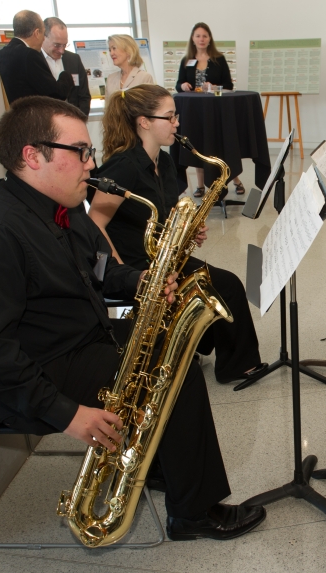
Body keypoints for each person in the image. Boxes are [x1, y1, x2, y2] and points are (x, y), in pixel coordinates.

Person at [0, 96, 265, 541]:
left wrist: (139, 281)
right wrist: (68, 415)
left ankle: (162, 463)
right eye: (79, 151)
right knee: (173, 373)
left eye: (89, 150)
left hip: (81, 337)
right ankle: (194, 513)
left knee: (174, 349)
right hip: (40, 370)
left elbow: (95, 270)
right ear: (32, 156)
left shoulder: (61, 208)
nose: (91, 163)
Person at [88, 85, 267, 384]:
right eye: (169, 117)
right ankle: (229, 362)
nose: (177, 123)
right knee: (228, 285)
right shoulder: (123, 166)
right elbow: (95, 223)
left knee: (224, 284)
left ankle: (213, 353)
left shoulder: (165, 161)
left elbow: (168, 210)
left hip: (163, 255)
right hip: (136, 264)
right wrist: (123, 271)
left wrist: (189, 230)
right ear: (144, 122)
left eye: (175, 116)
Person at [175, 22, 245, 198]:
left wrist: (214, 87)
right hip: (196, 111)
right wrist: (182, 85)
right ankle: (200, 186)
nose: (201, 39)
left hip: (216, 110)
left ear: (210, 38)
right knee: (198, 146)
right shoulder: (186, 60)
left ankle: (235, 180)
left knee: (221, 146)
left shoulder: (218, 59)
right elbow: (178, 84)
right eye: (198, 36)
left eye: (204, 36)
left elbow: (229, 85)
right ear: (192, 38)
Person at [0, 10, 74, 105]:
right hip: (31, 116)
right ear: (37, 33)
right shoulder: (29, 55)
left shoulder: (0, 54)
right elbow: (56, 94)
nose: (43, 38)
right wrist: (65, 76)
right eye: (43, 33)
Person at [41, 17, 91, 115]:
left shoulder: (74, 59)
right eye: (57, 45)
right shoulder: (34, 60)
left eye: (64, 45)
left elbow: (84, 96)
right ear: (43, 37)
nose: (62, 51)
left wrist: (79, 120)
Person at [104, 34, 155, 99]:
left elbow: (149, 106)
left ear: (128, 50)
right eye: (110, 50)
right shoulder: (110, 79)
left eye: (114, 48)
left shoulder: (144, 78)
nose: (111, 53)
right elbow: (108, 107)